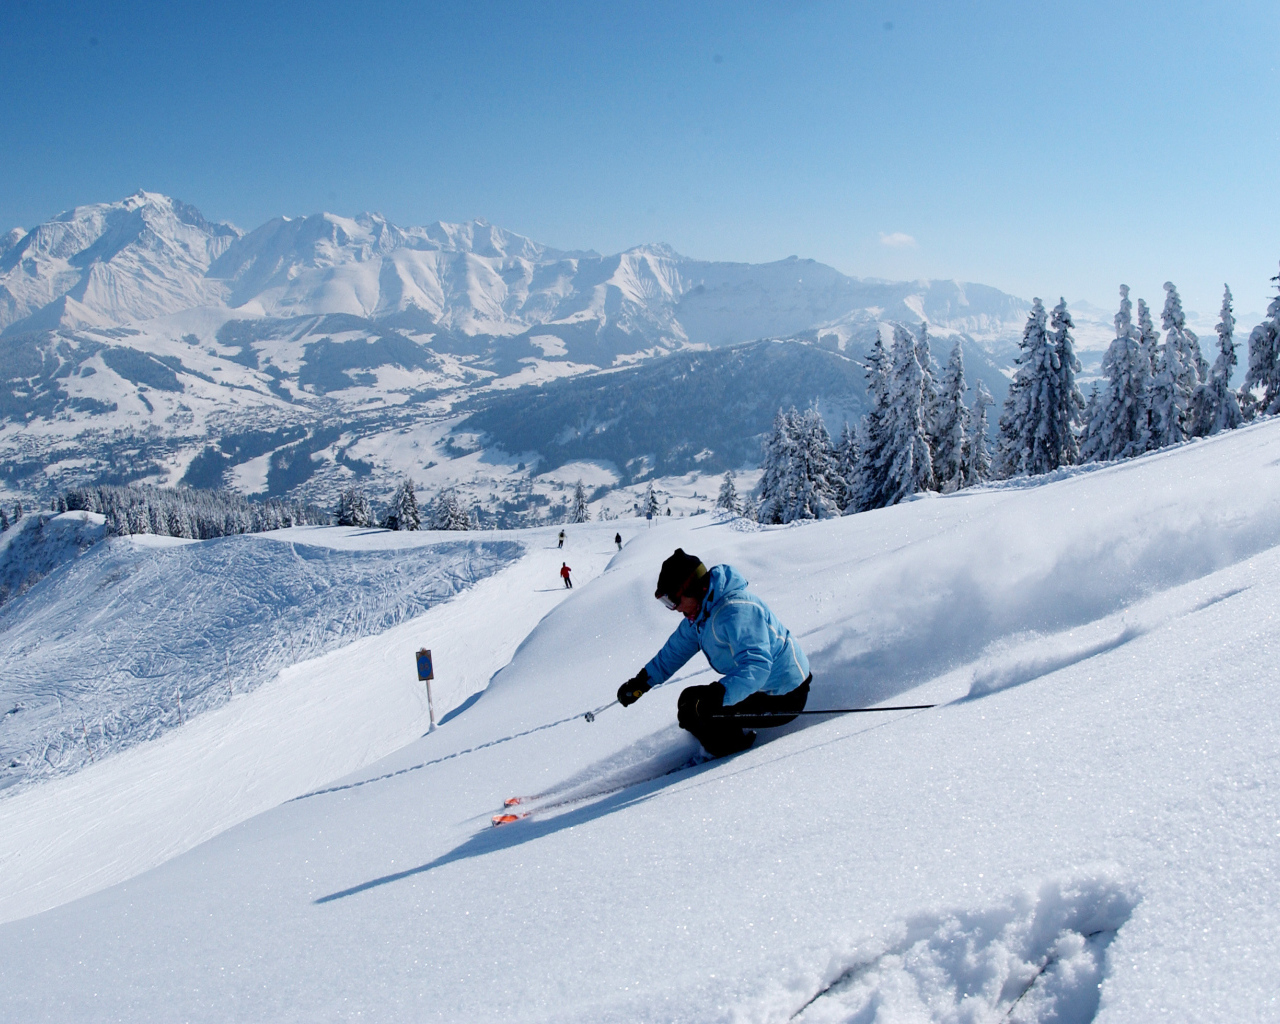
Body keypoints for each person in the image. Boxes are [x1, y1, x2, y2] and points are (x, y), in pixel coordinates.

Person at [616, 548, 810, 757]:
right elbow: (675, 650)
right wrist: (642, 682)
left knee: (697, 708)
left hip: (786, 695)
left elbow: (757, 666)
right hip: (763, 688)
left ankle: (731, 755)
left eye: (672, 600)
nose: (674, 609)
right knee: (692, 702)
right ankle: (727, 742)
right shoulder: (701, 613)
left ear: (692, 588)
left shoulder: (736, 611)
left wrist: (718, 695)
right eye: (667, 603)